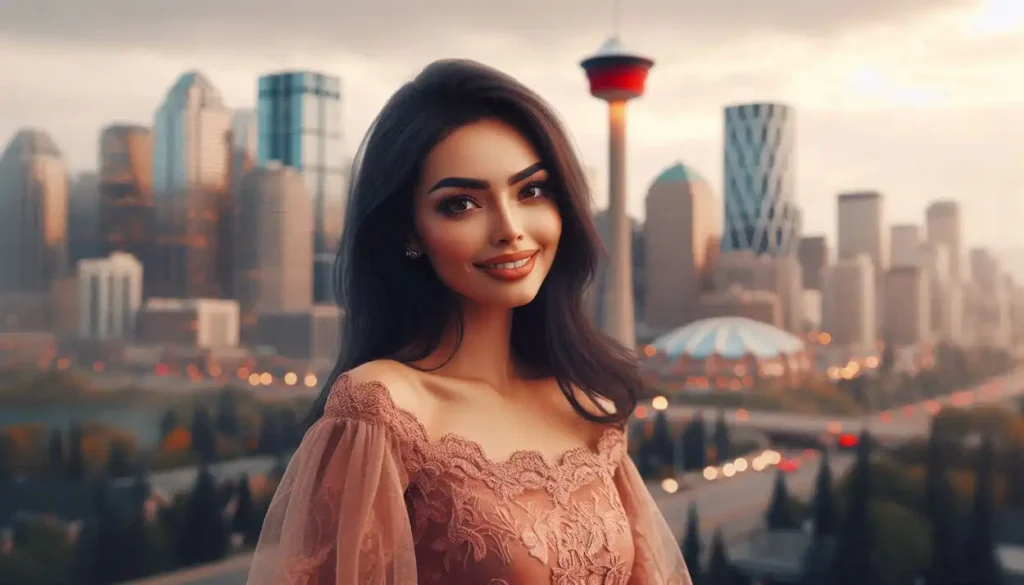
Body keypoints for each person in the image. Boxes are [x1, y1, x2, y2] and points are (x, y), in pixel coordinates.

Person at [247, 59, 691, 585]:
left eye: (531, 192)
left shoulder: (586, 406)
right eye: (461, 204)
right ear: (408, 232)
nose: (509, 229)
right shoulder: (381, 409)